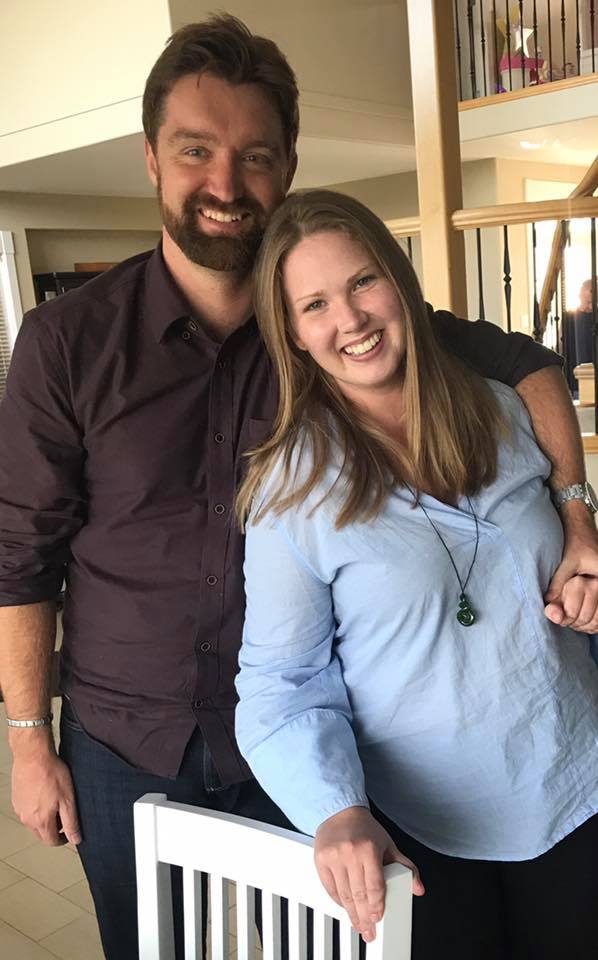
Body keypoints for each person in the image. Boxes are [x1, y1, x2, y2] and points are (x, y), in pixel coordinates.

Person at [0, 14, 595, 960]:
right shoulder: (67, 343)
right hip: (130, 737)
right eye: (196, 151)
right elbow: (22, 555)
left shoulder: (341, 329)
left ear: (286, 167)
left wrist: (574, 508)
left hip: (321, 742)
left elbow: (523, 362)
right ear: (151, 157)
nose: (226, 183)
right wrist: (30, 739)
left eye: (256, 155)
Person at [235, 189, 598, 960]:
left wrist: (586, 582)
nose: (351, 319)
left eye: (363, 282)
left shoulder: (503, 412)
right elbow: (280, 683)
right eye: (315, 305)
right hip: (426, 835)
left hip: (577, 787)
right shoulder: (292, 491)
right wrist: (334, 810)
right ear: (293, 334)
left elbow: (567, 558)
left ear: (399, 282)